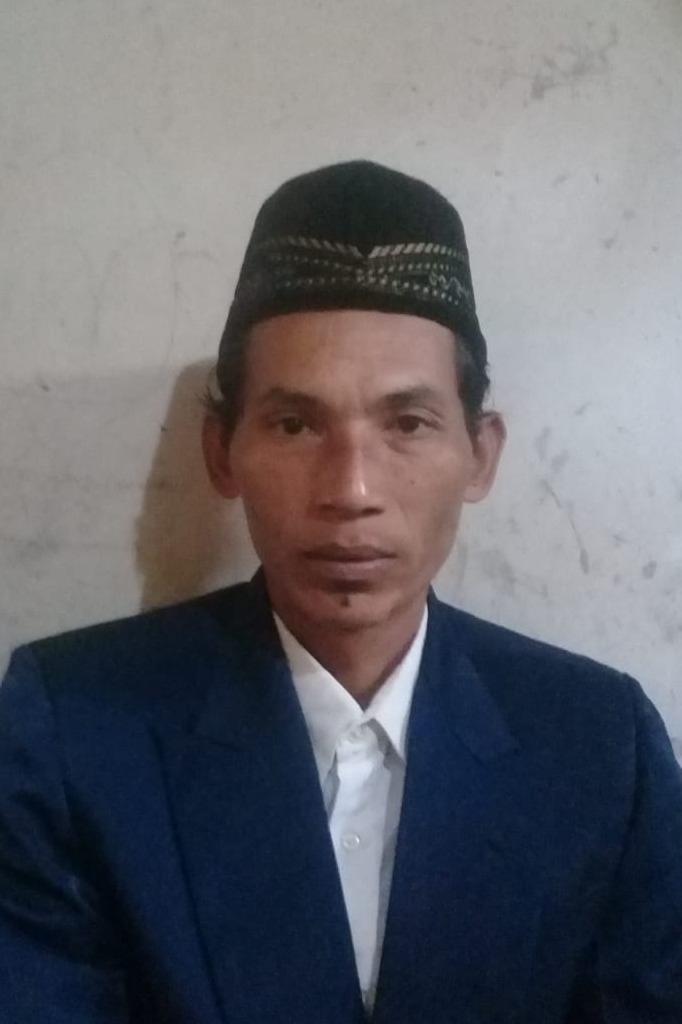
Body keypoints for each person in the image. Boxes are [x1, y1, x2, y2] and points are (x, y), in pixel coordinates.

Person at [0, 160, 681, 1024]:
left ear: (480, 455)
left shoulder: (597, 745)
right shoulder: (76, 728)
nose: (351, 490)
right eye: (295, 424)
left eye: (408, 423)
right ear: (221, 453)